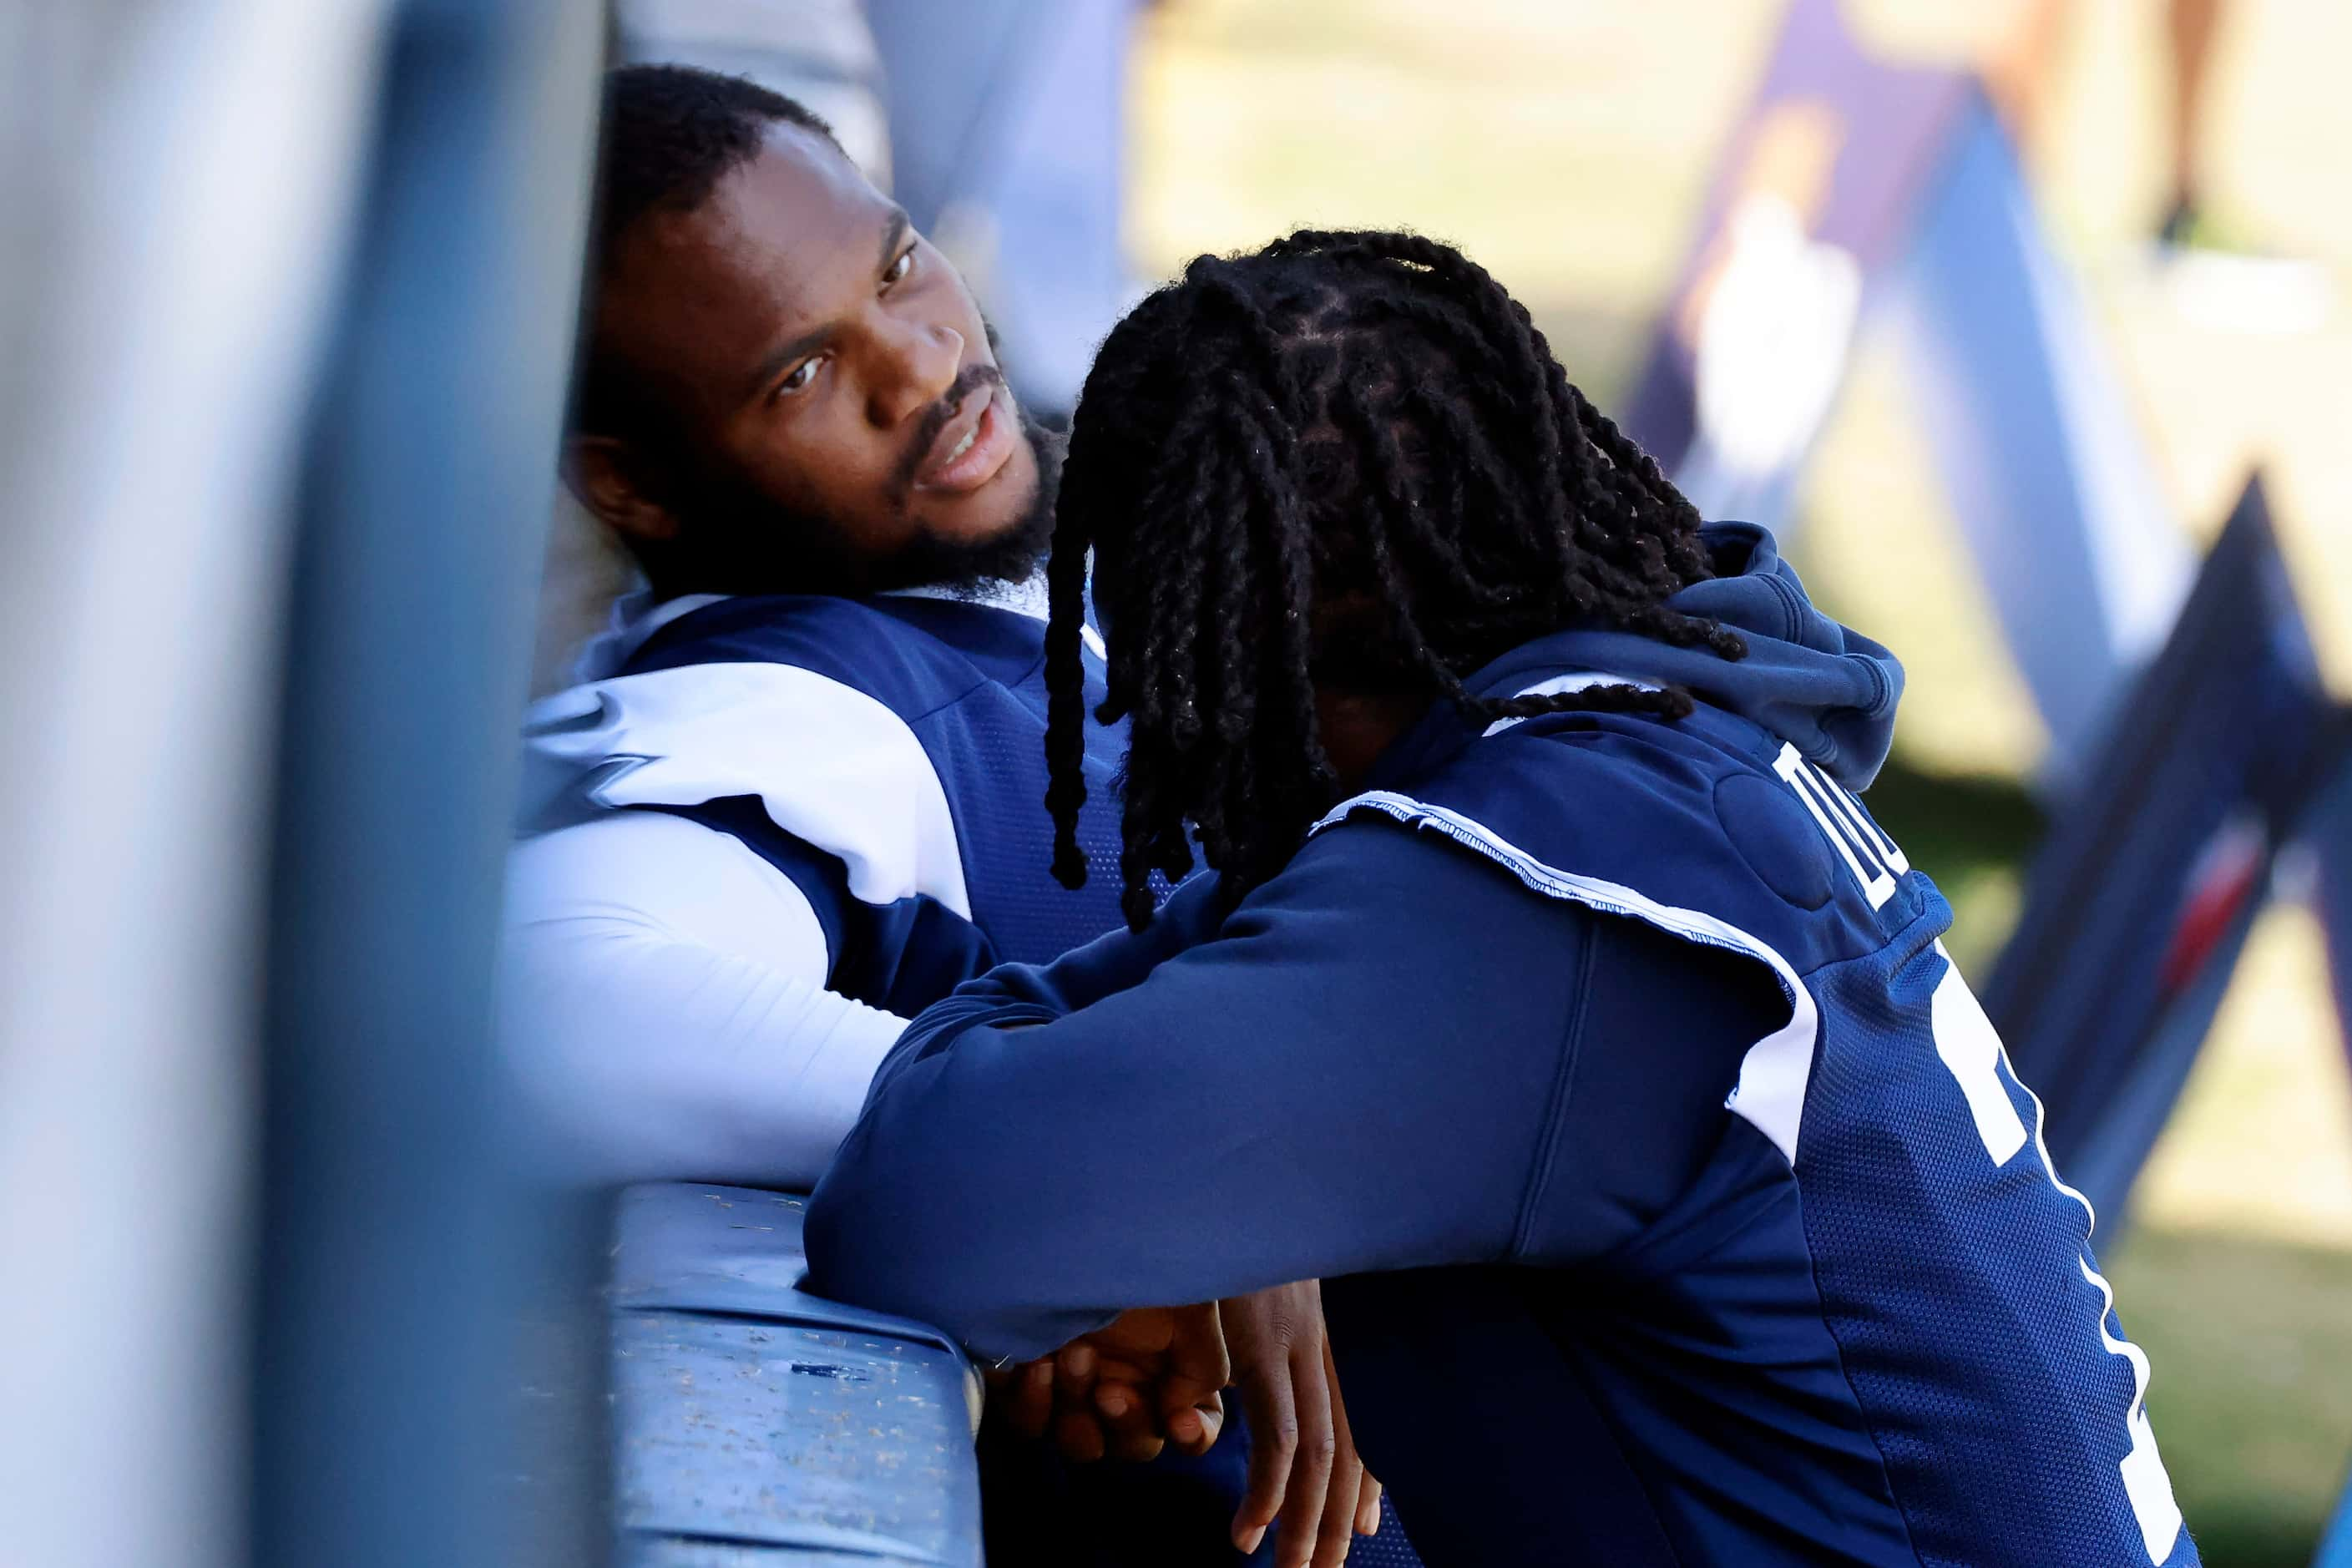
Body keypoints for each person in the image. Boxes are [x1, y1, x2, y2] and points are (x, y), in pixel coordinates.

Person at [804, 230, 2200, 1566]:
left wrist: (1177, 1201)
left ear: (1224, 665)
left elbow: (918, 1211)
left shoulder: (1521, 900)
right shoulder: (1666, 736)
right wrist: (1209, 1209)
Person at [499, 67, 1405, 1568]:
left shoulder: (1012, 567)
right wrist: (1138, 1166)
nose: (920, 366)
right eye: (802, 375)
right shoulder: (778, 709)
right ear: (636, 489)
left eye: (901, 265)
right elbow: (542, 1006)